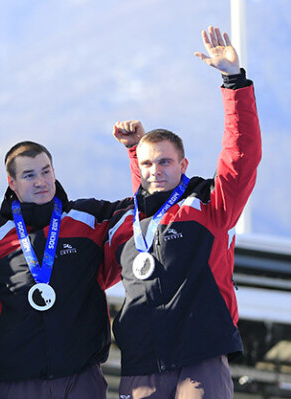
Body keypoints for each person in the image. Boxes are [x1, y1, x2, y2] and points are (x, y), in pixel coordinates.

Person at [105, 26, 261, 399]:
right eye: (145, 163)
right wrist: (134, 152)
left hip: (199, 354)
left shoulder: (209, 205)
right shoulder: (130, 218)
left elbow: (241, 155)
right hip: (143, 360)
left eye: (164, 162)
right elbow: (147, 207)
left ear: (183, 164)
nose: (154, 170)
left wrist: (233, 81)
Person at [0, 136, 140, 398]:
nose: (41, 181)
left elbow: (141, 212)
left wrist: (135, 152)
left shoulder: (89, 218)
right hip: (18, 380)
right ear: (12, 183)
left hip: (81, 377)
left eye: (46, 171)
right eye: (29, 175)